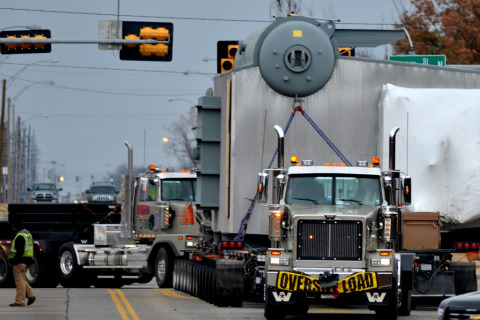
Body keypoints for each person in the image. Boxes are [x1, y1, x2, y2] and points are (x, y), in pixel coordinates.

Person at [8, 222, 36, 307]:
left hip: (19, 262)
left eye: (13, 227)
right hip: (26, 261)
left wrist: (14, 260)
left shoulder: (20, 236)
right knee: (22, 280)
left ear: (16, 228)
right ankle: (31, 295)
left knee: (19, 282)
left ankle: (20, 301)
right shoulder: (27, 235)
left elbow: (19, 251)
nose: (13, 229)